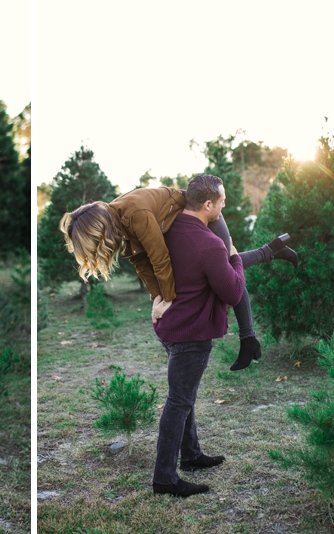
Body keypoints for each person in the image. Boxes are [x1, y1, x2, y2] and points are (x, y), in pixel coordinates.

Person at [60, 180, 299, 370]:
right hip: (170, 221)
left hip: (197, 208)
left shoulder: (136, 215)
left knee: (226, 268)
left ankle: (248, 338)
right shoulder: (117, 224)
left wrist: (169, 300)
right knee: (220, 266)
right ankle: (272, 250)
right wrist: (157, 297)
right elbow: (141, 261)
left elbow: (159, 258)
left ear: (98, 229)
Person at [143, 175, 245, 497]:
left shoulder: (168, 230)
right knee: (179, 402)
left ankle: (191, 455)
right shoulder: (210, 245)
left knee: (183, 395)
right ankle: (165, 480)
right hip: (190, 334)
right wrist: (235, 257)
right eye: (222, 201)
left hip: (168, 327)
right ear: (208, 205)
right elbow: (232, 292)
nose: (225, 206)